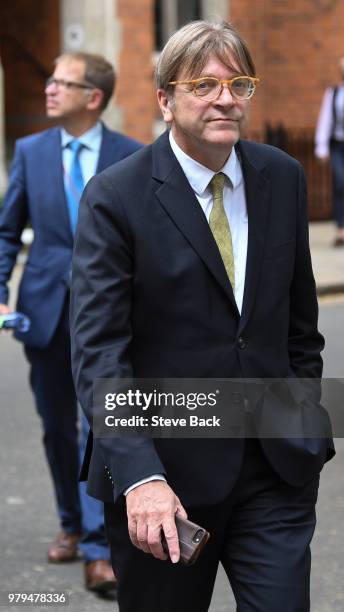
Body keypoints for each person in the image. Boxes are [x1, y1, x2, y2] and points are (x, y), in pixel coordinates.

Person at [70, 21, 335, 612]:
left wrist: (304, 413)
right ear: (164, 100)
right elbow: (99, 353)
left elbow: (299, 325)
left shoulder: (282, 178)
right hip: (166, 482)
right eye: (203, 85)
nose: (225, 98)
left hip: (274, 468)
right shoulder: (116, 197)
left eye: (239, 84)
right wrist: (141, 477)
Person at [0, 51, 142, 594]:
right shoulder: (31, 152)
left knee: (103, 426)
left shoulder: (130, 154)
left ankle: (98, 543)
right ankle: (69, 520)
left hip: (109, 317)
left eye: (63, 82)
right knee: (58, 427)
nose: (50, 89)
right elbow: (8, 231)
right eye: (51, 80)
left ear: (94, 97)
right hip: (44, 311)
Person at [315, 55, 344, 246]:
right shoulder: (333, 93)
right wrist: (321, 147)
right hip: (338, 145)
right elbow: (325, 120)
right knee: (340, 183)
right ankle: (341, 229)